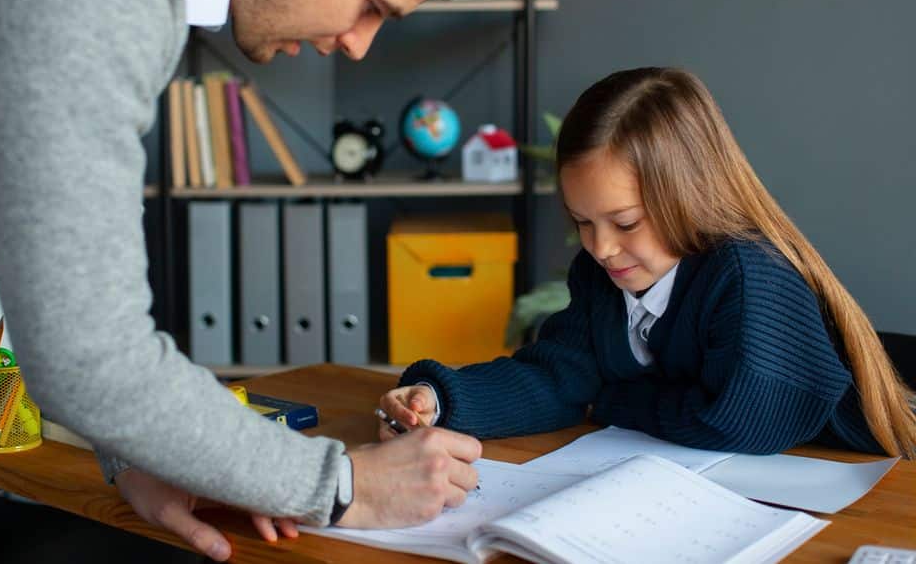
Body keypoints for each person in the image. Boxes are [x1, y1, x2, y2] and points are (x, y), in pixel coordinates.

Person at [0, 0, 488, 560]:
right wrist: (345, 484)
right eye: (372, 5)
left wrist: (142, 449)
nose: (358, 45)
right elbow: (87, 354)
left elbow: (56, 245)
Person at [379, 67, 916, 460]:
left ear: (691, 195)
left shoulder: (747, 276)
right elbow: (559, 376)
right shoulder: (603, 275)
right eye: (583, 222)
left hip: (867, 481)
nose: (601, 247)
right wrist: (438, 398)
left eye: (626, 222)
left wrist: (612, 400)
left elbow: (741, 423)